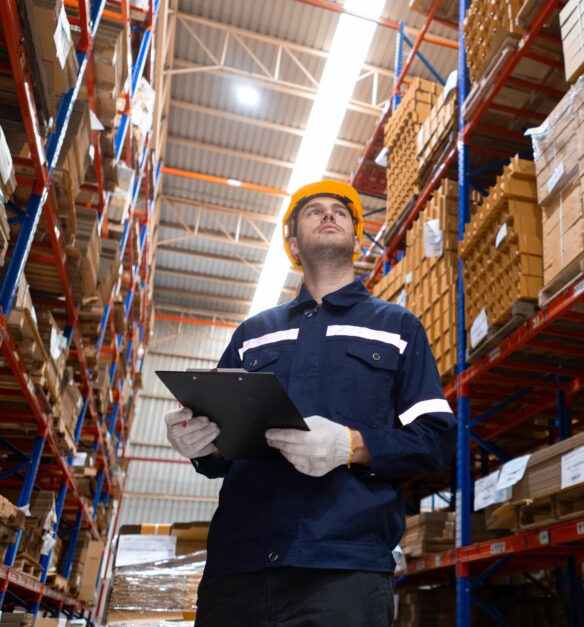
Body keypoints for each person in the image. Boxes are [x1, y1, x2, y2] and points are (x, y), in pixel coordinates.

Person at [164, 180, 457, 626]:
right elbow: (224, 441)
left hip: (343, 572)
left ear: (356, 238)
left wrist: (352, 445)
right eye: (313, 210)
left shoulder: (397, 327)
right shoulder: (253, 333)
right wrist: (201, 444)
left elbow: (435, 439)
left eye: (340, 210)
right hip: (239, 567)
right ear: (294, 241)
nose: (329, 214)